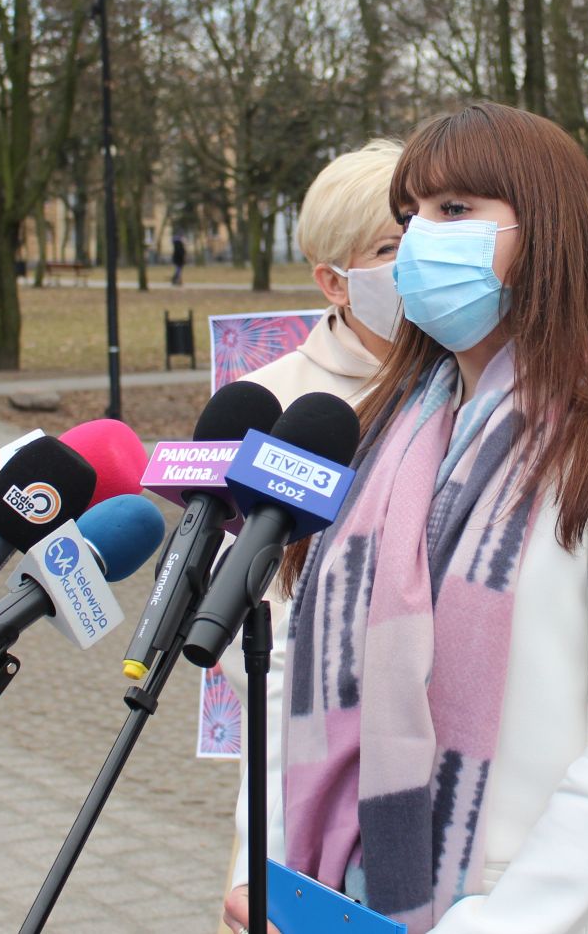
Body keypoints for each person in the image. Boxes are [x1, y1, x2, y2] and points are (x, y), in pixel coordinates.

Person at [221, 103, 588, 934]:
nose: (421, 238)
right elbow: (290, 675)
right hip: (339, 901)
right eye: (408, 216)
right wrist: (270, 875)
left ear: (549, 231)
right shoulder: (378, 434)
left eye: (455, 208)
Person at [216, 137, 404, 930]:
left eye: (424, 231)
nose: (415, 261)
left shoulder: (479, 386)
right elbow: (239, 624)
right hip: (304, 771)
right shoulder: (272, 402)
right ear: (332, 281)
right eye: (388, 248)